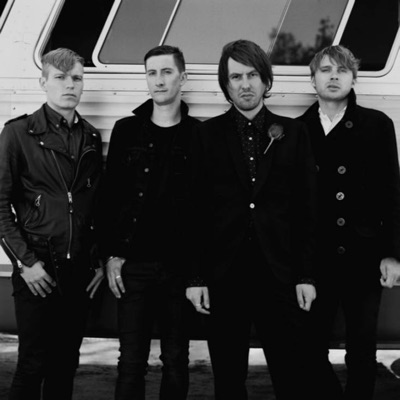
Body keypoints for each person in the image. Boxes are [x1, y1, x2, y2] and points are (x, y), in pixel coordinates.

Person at [185, 39, 318, 400]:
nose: (245, 84)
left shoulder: (294, 133)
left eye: (252, 75)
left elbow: (307, 210)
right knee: (228, 380)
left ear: (266, 80)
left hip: (280, 275)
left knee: (291, 377)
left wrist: (306, 275)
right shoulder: (205, 135)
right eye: (236, 77)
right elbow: (194, 211)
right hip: (224, 275)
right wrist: (196, 277)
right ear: (225, 84)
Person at [0, 48, 104, 400]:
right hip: (38, 267)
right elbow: (0, 206)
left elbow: (94, 205)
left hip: (78, 272)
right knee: (32, 364)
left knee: (65, 364)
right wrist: (25, 262)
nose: (69, 85)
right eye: (60, 77)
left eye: (76, 78)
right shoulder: (18, 134)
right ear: (43, 82)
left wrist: (97, 258)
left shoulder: (90, 136)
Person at [298, 45, 400, 400]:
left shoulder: (377, 125)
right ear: (313, 79)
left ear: (353, 78)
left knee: (362, 349)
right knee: (310, 348)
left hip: (364, 255)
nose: (334, 76)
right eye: (325, 70)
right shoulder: (297, 130)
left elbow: (391, 193)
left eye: (342, 70)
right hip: (314, 259)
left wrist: (392, 254)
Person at [99, 45, 199, 400]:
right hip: (134, 265)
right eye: (152, 73)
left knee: (176, 360)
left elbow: (203, 210)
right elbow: (110, 198)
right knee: (131, 362)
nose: (158, 80)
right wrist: (111, 254)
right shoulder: (126, 130)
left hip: (178, 267)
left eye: (166, 72)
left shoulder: (198, 135)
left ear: (182, 77)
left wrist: (197, 274)